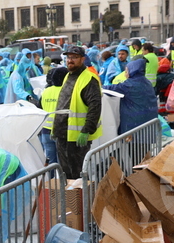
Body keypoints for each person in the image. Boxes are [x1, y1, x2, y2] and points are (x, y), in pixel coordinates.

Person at [53, 45, 102, 178]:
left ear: (82, 59)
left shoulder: (89, 79)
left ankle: (79, 198)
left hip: (77, 137)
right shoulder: (68, 76)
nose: (70, 60)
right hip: (63, 133)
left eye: (74, 57)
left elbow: (95, 107)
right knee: (66, 173)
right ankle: (70, 198)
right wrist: (55, 129)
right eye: (68, 57)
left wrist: (87, 130)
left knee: (77, 174)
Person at [104, 58, 158, 134]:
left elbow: (111, 89)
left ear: (133, 71)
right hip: (149, 124)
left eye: (126, 71)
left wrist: (97, 87)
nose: (125, 74)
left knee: (135, 145)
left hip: (135, 125)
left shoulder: (130, 84)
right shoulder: (146, 82)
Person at [39, 67, 66, 165]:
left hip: (46, 130)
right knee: (62, 162)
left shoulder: (45, 91)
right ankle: (62, 180)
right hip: (61, 131)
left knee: (51, 162)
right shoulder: (66, 91)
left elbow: (40, 107)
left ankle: (51, 180)